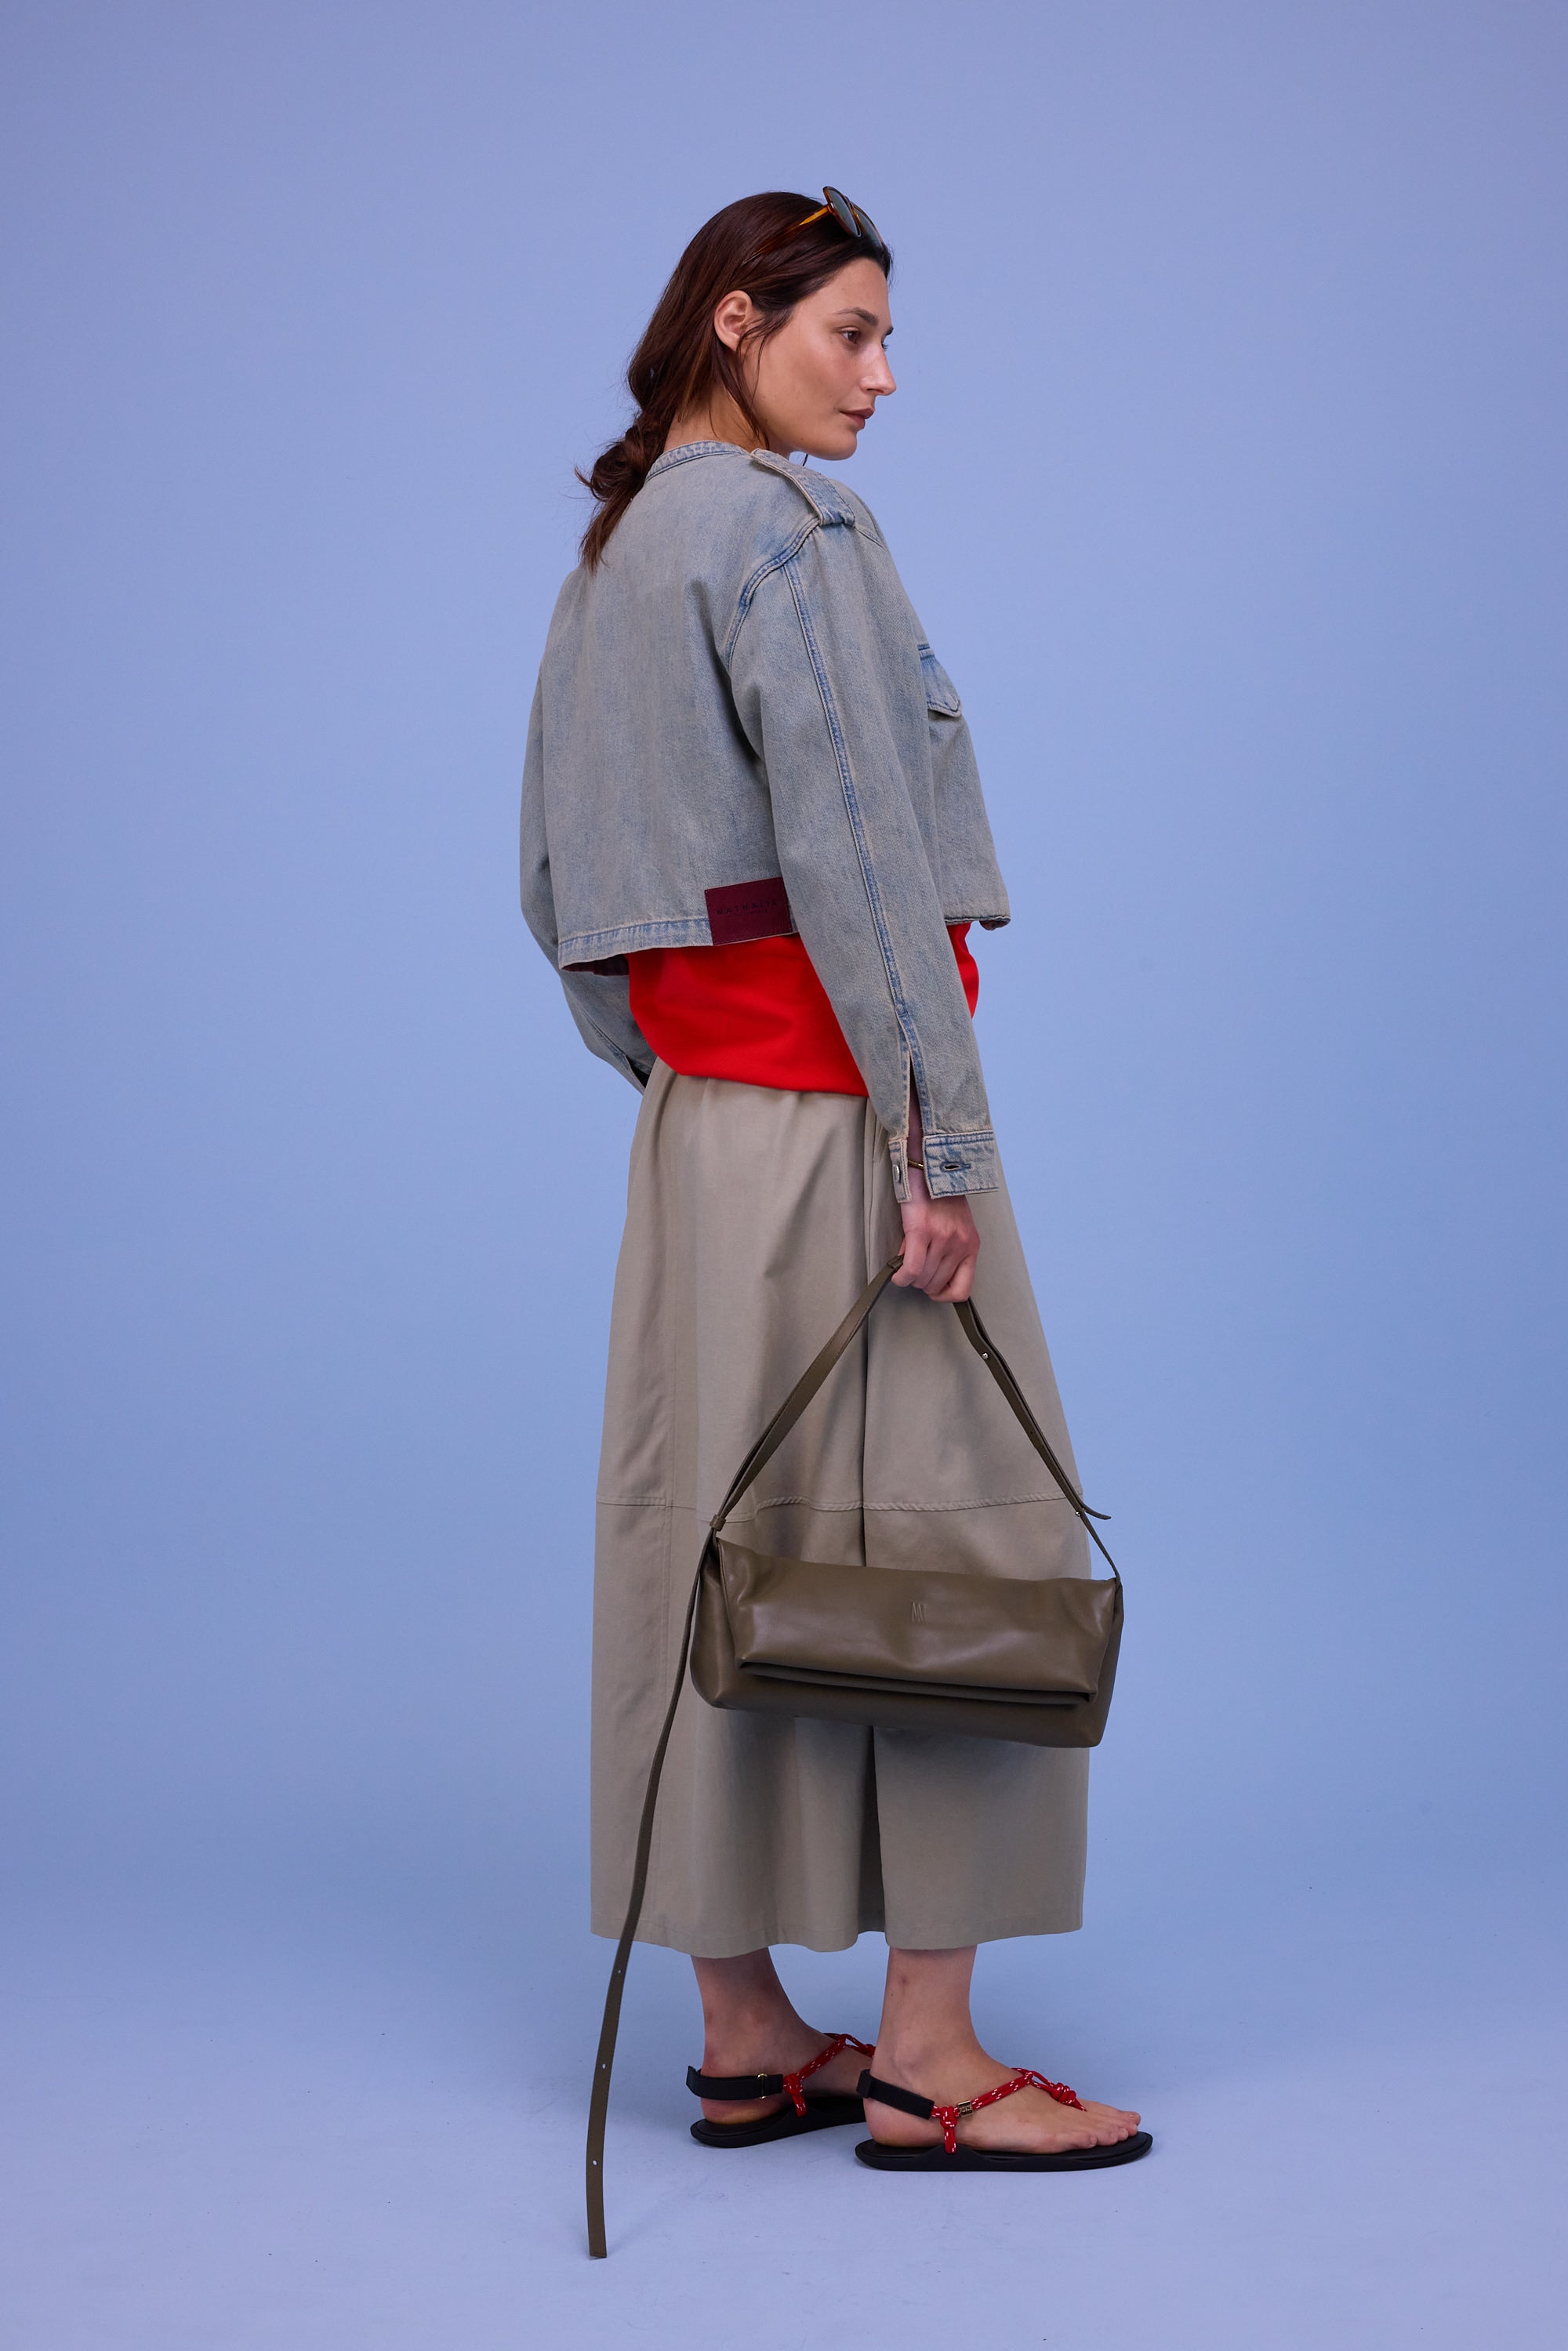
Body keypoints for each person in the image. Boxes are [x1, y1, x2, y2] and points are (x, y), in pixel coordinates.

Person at [521, 189, 1147, 2170]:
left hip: (704, 1142)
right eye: (850, 333)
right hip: (855, 1123)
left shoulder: (621, 547)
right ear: (737, 321)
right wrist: (928, 1143)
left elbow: (553, 887)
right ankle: (931, 2062)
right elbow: (865, 864)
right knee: (959, 1545)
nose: (882, 378)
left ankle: (742, 2038)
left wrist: (685, 1077)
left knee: (710, 1541)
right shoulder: (796, 534)